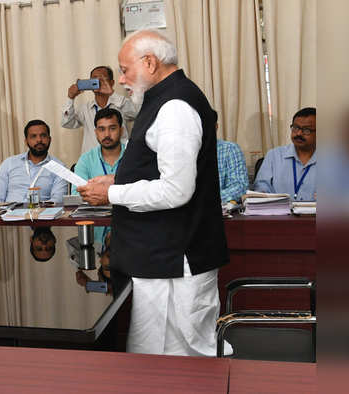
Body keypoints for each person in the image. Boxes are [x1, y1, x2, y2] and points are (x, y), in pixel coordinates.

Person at [77, 30, 230, 357]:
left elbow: (176, 190)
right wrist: (114, 180)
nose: (120, 80)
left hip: (176, 262)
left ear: (149, 63)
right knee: (153, 363)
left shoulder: (175, 106)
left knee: (186, 361)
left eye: (124, 69)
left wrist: (113, 194)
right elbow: (154, 169)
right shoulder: (162, 98)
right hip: (159, 259)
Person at [61, 66, 137, 154]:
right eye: (93, 79)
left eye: (101, 79)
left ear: (111, 83)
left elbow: (136, 114)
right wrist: (70, 98)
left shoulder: (121, 103)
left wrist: (112, 93)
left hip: (120, 159)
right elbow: (67, 123)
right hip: (92, 162)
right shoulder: (85, 109)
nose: (97, 82)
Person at [0, 120, 68, 203]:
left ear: (49, 139)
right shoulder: (9, 163)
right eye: (33, 136)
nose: (39, 140)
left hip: (42, 214)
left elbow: (58, 201)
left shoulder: (59, 168)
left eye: (43, 135)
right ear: (26, 141)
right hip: (9, 213)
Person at [253, 107, 317, 201]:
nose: (298, 133)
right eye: (295, 128)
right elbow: (261, 187)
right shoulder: (274, 155)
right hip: (279, 213)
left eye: (306, 130)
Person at [71, 108, 126, 195]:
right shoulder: (86, 159)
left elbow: (140, 190)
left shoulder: (133, 156)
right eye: (101, 129)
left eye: (112, 128)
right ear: (96, 133)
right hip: (95, 208)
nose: (107, 134)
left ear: (121, 131)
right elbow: (77, 193)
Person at [214, 111, 249, 203]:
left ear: (216, 127)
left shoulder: (229, 149)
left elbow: (240, 187)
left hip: (218, 211)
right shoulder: (183, 151)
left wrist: (207, 199)